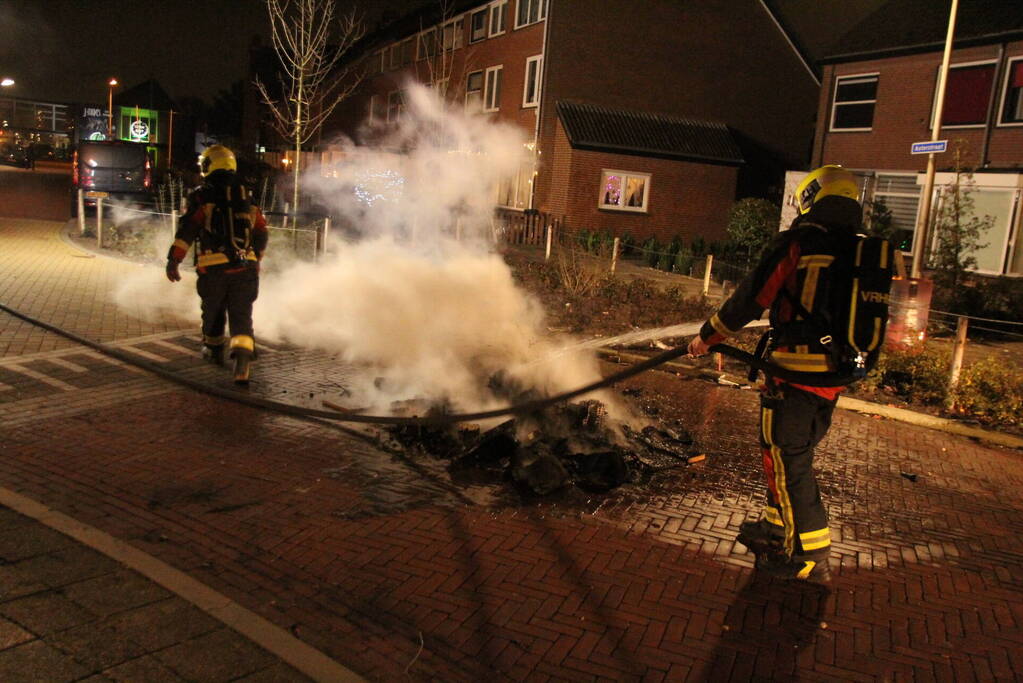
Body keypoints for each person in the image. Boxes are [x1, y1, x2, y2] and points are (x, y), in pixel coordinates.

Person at [687, 165, 865, 584]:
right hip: (832, 375)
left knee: (788, 461)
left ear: (811, 199)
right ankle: (775, 528)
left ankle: (806, 556)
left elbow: (751, 299)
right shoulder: (859, 249)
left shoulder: (799, 243)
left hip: (795, 375)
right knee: (787, 458)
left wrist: (707, 338)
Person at [165, 144, 269, 384]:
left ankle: (213, 349)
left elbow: (188, 230)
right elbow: (262, 231)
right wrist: (255, 259)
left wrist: (174, 260)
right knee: (242, 315)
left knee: (213, 312)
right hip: (246, 269)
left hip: (214, 270)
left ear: (209, 165)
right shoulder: (246, 195)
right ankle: (242, 363)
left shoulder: (203, 195)